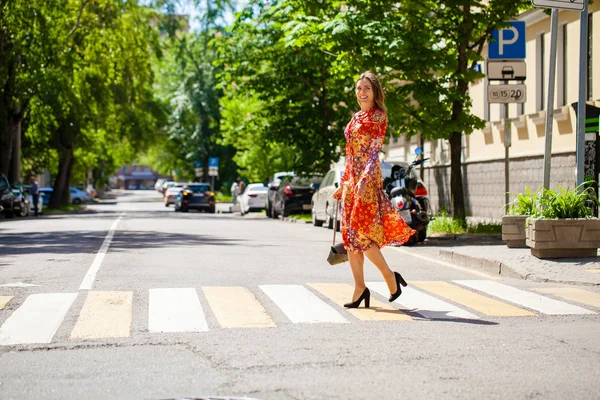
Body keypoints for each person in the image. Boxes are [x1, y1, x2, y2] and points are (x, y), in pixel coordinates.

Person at [332, 71, 416, 309]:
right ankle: (360, 288)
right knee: (350, 239)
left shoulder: (378, 117)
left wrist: (364, 180)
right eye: (359, 88)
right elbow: (350, 155)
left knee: (363, 235)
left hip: (367, 184)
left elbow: (373, 153)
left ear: (375, 91)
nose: (361, 92)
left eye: (366, 88)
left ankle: (390, 277)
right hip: (352, 183)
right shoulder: (354, 118)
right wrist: (345, 182)